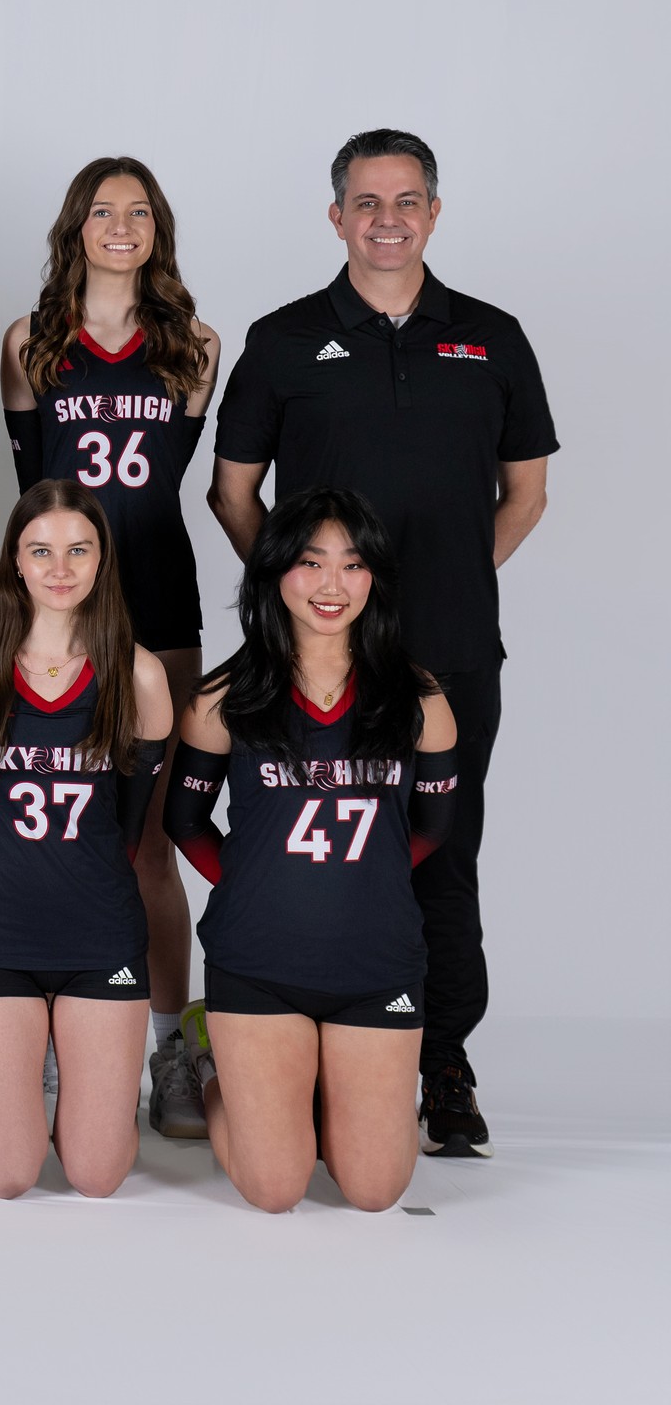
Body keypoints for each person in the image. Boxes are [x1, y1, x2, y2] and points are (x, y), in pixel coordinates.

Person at [208, 129, 555, 1157]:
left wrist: (440, 590)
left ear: (433, 214)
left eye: (406, 201)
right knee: (307, 849)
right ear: (336, 217)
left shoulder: (492, 338)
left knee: (440, 855)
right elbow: (231, 493)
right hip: (311, 665)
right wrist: (308, 602)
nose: (386, 220)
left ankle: (439, 1058)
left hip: (450, 651)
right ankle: (302, 1055)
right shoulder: (282, 339)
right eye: (366, 202)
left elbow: (527, 493)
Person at [0, 157, 219, 1138]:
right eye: (101, 210)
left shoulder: (194, 345)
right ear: (75, 227)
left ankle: (170, 1044)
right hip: (55, 607)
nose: (120, 225)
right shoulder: (30, 342)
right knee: (49, 834)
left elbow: (166, 476)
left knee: (148, 845)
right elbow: (31, 488)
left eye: (138, 211)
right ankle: (52, 1037)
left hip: (158, 604)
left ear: (157, 228)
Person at [166, 488, 457, 1211]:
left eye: (353, 565)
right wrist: (253, 885)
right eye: (311, 561)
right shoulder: (223, 698)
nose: (333, 584)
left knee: (375, 1190)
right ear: (274, 571)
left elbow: (432, 826)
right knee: (273, 1188)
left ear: (374, 579)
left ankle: (324, 1100)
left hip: (376, 965)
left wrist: (366, 883)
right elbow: (186, 822)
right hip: (258, 967)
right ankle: (208, 1062)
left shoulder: (418, 698)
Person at [0, 480, 171, 1197]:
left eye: (78, 550)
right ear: (15, 561)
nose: (60, 568)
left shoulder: (139, 674)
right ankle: (12, 1083)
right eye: (41, 551)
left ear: (102, 559)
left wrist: (79, 877)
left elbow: (129, 829)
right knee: (6, 1176)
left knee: (97, 1176)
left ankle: (74, 1073)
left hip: (101, 938)